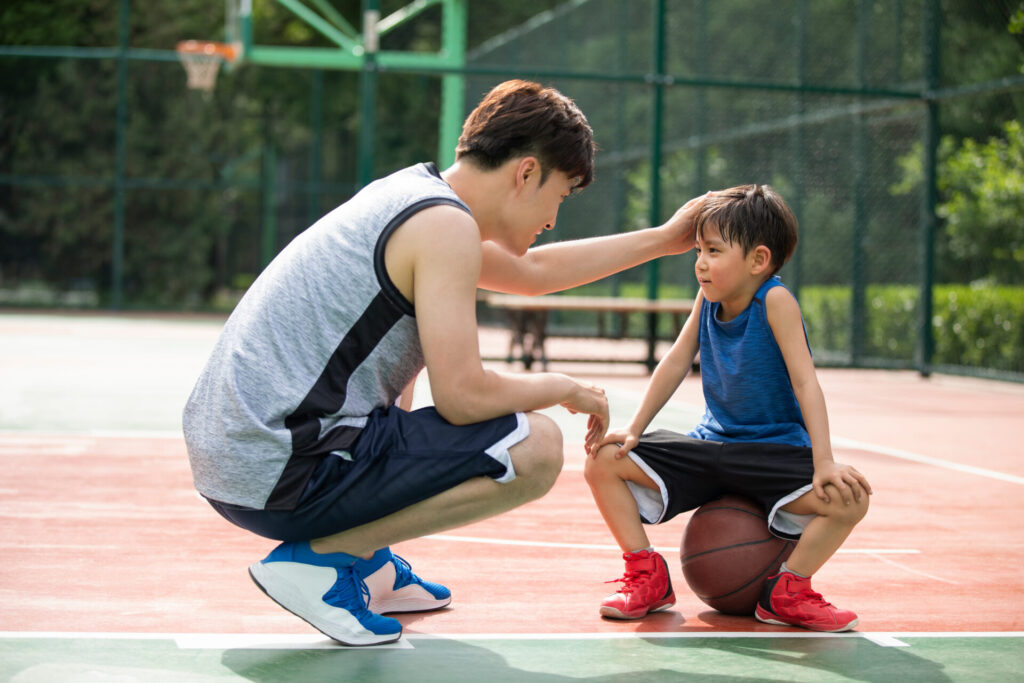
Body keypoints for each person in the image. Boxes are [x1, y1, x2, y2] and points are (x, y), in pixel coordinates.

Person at [182, 80, 705, 646]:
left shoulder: (416, 198)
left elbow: (532, 276)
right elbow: (461, 398)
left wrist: (666, 238)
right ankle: (327, 557)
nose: (554, 218)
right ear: (526, 173)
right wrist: (565, 387)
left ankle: (369, 562)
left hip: (241, 459)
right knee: (533, 447)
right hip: (280, 469)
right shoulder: (444, 226)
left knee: (394, 379)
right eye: (561, 194)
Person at [584, 184, 872, 633]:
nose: (700, 262)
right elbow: (677, 359)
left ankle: (789, 590)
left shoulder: (775, 301)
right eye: (698, 250)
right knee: (603, 461)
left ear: (758, 260)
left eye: (714, 250)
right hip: (711, 447)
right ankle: (647, 574)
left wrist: (824, 462)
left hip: (772, 453)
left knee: (850, 498)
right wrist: (636, 429)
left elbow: (805, 382)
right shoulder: (708, 299)